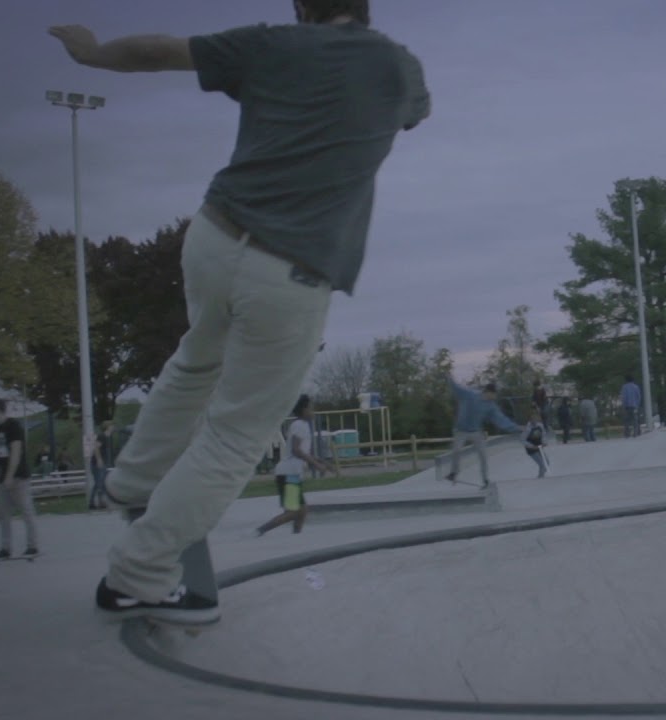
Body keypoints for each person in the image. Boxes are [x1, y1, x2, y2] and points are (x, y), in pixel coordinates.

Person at [52, 0, 432, 624]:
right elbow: (418, 113)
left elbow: (158, 52)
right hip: (290, 270)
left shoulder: (270, 43)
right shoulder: (399, 67)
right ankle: (137, 575)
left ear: (303, 7)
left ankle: (133, 480)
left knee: (196, 357)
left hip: (213, 236)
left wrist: (92, 52)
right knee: (236, 435)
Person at [257, 395, 333, 536]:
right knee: (294, 512)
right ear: (304, 410)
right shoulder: (299, 425)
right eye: (311, 408)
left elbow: (302, 451)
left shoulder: (301, 425)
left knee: (301, 511)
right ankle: (258, 531)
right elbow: (297, 450)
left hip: (289, 473)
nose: (313, 411)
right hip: (289, 473)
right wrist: (317, 465)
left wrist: (323, 463)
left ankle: (296, 537)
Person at [446, 379, 522, 488]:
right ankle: (454, 473)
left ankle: (485, 479)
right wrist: (449, 377)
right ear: (488, 392)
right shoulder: (470, 394)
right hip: (460, 431)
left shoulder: (490, 406)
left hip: (476, 432)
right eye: (494, 395)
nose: (495, 397)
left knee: (483, 456)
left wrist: (516, 428)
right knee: (457, 450)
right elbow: (457, 388)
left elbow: (501, 419)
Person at [0, 399, 39, 560]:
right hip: (4, 478)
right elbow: (0, 458)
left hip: (19, 476)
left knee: (26, 511)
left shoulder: (13, 426)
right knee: (3, 514)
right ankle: (5, 548)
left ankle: (32, 546)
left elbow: (16, 453)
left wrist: (10, 477)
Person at [88, 421, 116, 510]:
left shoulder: (108, 437)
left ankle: (95, 503)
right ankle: (98, 503)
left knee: (100, 484)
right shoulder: (102, 436)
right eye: (112, 425)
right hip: (97, 464)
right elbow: (96, 448)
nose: (113, 427)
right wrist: (99, 460)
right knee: (99, 484)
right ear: (108, 427)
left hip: (104, 463)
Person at [522, 409, 549, 479]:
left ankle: (541, 475)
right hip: (531, 449)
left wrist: (544, 442)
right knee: (542, 465)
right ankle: (540, 477)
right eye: (532, 418)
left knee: (547, 463)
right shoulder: (527, 429)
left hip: (539, 447)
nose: (534, 420)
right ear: (530, 419)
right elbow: (523, 440)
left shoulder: (540, 426)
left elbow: (543, 434)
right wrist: (531, 446)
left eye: (535, 418)